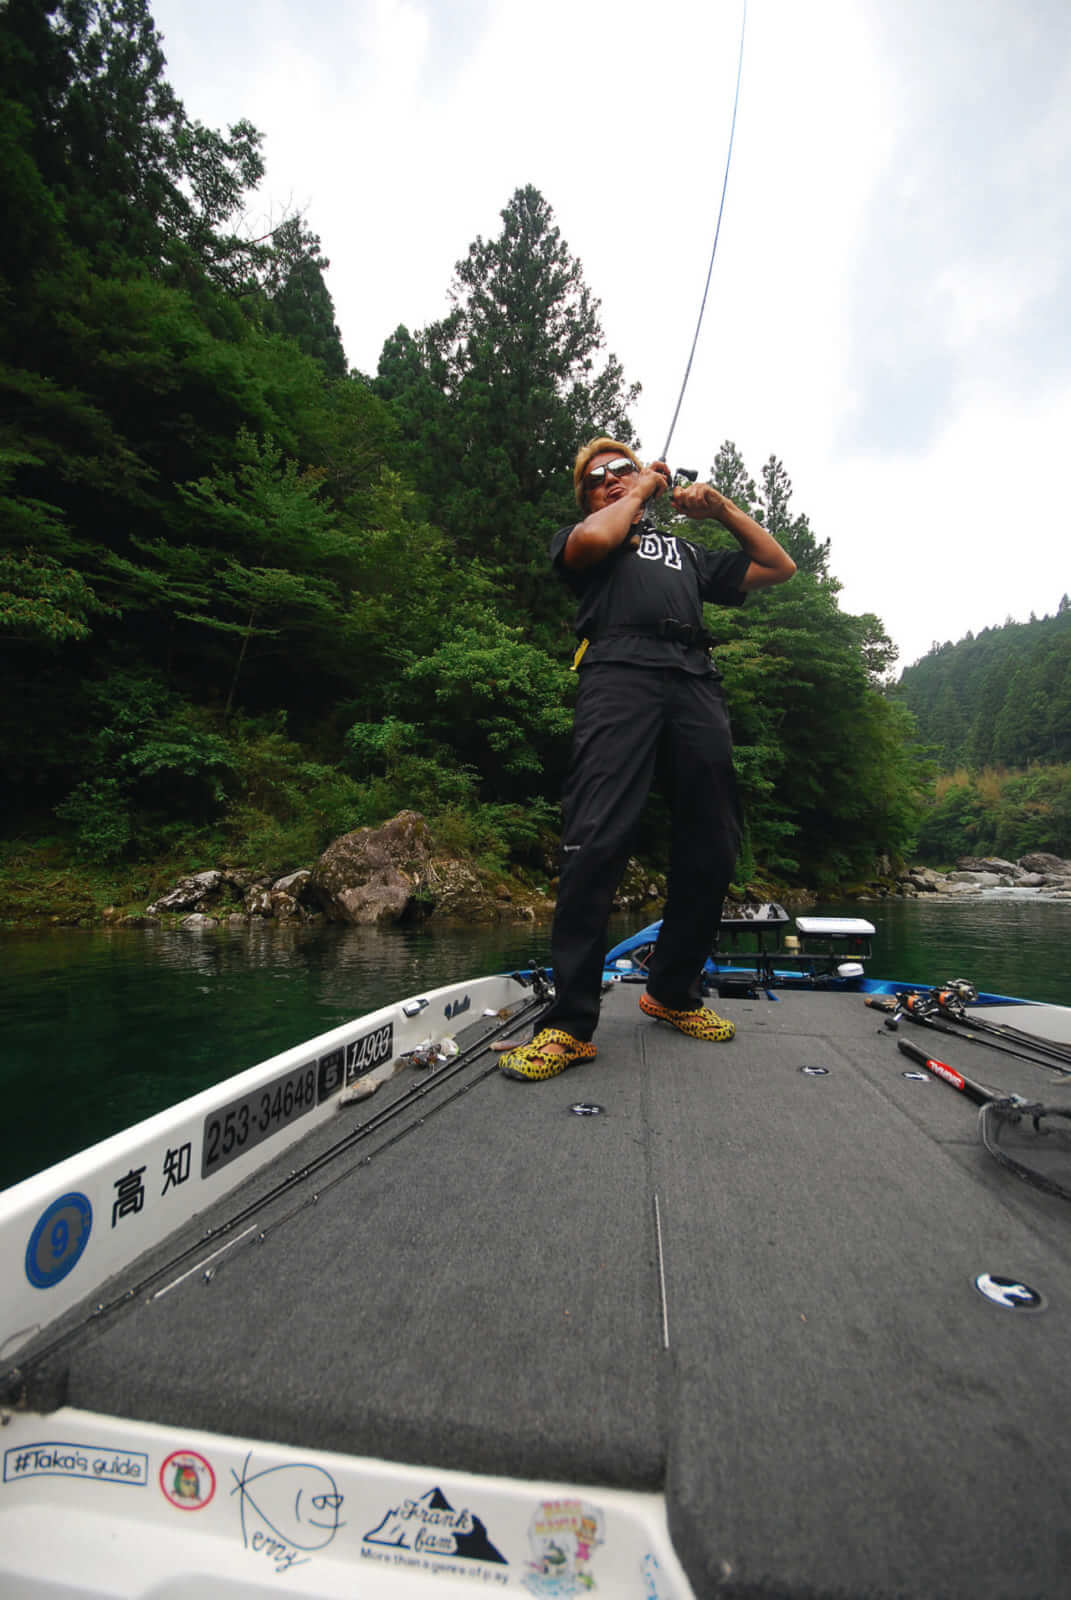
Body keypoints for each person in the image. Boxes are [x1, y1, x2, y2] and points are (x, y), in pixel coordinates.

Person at [500, 437, 797, 1083]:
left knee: (713, 843)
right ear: (586, 497)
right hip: (616, 672)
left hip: (694, 679)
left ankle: (671, 993)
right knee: (595, 838)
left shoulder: (683, 553)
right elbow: (597, 537)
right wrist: (640, 486)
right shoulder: (583, 539)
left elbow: (778, 566)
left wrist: (720, 509)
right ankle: (568, 1025)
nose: (610, 478)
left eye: (621, 469)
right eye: (597, 477)